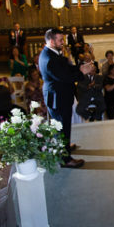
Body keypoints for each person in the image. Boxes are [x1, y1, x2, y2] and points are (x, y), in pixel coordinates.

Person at [38, 27, 90, 167]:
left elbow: (66, 68)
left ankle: (64, 147)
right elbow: (65, 76)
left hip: (59, 95)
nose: (63, 42)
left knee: (62, 126)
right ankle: (65, 160)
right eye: (60, 40)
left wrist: (79, 68)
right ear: (51, 40)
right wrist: (82, 73)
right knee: (62, 127)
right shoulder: (49, 59)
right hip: (57, 97)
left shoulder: (53, 53)